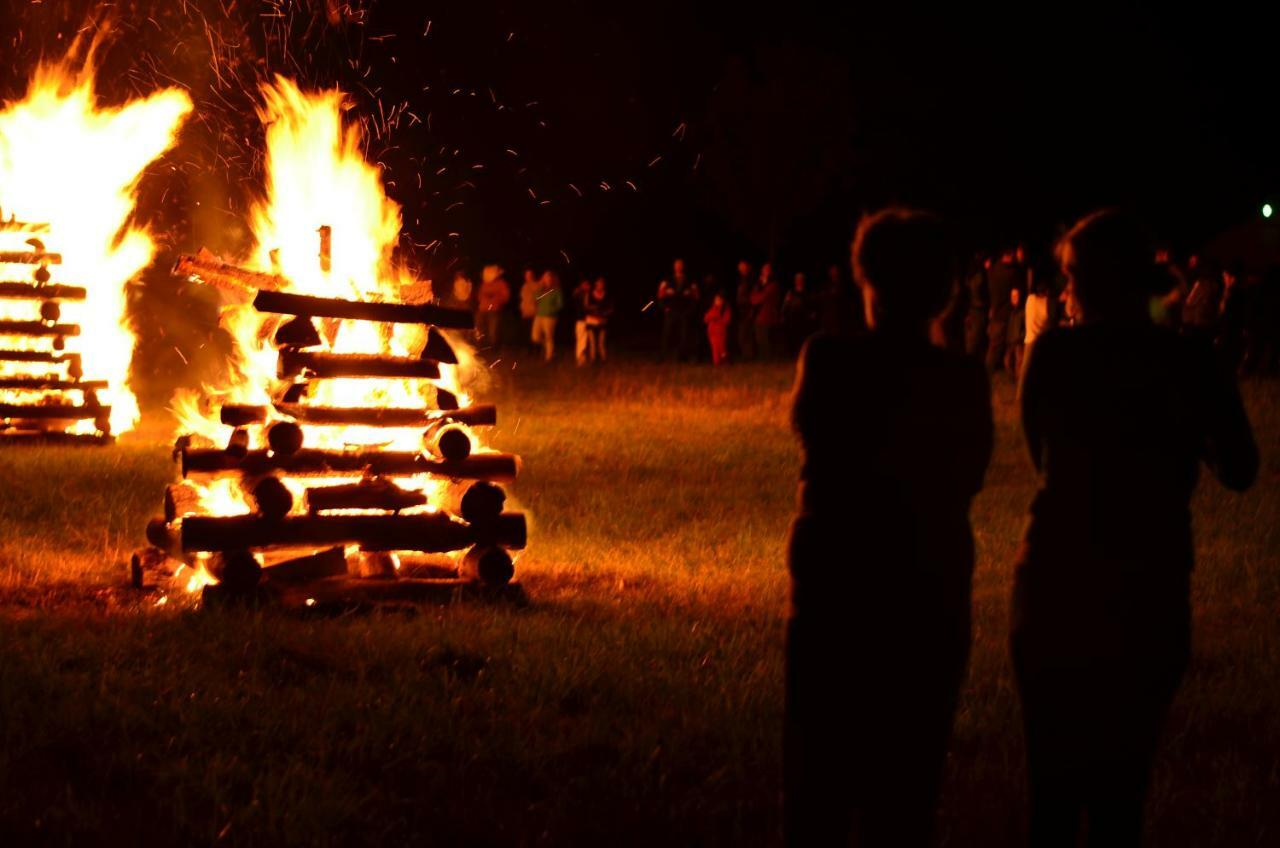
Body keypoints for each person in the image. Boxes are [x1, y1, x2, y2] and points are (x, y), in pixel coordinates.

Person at [1014, 209, 1257, 848]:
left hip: (1055, 579)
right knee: (1123, 796)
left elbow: (1041, 456)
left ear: (1083, 281)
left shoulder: (1053, 355)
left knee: (1052, 796)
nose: (1064, 290)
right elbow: (1240, 467)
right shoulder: (1190, 363)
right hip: (1149, 581)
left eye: (1069, 277)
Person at [787, 208, 993, 847]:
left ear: (863, 278)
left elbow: (811, 434)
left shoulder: (829, 361)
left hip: (835, 593)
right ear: (946, 291)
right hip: (926, 593)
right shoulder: (960, 379)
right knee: (907, 791)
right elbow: (969, 475)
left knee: (817, 787)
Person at [658, 258, 698, 361]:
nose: (678, 267)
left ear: (683, 267)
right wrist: (664, 307)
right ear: (674, 266)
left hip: (684, 311)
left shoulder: (689, 280)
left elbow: (696, 296)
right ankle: (663, 356)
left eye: (680, 265)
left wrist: (690, 309)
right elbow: (660, 294)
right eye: (677, 265)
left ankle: (682, 357)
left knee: (684, 335)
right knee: (667, 334)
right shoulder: (667, 280)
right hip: (671, 310)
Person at [782, 271, 819, 355]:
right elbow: (786, 305)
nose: (799, 281)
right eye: (797, 279)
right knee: (793, 338)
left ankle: (803, 354)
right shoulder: (791, 292)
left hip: (804, 319)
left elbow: (812, 304)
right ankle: (793, 354)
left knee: (803, 338)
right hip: (793, 318)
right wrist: (784, 314)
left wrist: (812, 313)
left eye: (800, 279)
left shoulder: (808, 293)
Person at [750, 262, 782, 359]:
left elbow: (762, 297)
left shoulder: (773, 285)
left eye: (767, 270)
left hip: (767, 315)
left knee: (766, 338)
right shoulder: (758, 284)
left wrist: (758, 296)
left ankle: (769, 358)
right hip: (759, 315)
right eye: (764, 270)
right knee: (760, 338)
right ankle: (763, 358)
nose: (765, 272)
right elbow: (752, 298)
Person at [530, 270, 563, 361]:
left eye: (549, 277)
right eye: (545, 277)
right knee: (535, 337)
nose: (547, 279)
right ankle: (551, 349)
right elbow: (535, 298)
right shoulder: (541, 289)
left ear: (552, 278)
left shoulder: (556, 290)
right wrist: (540, 286)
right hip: (539, 315)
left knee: (549, 336)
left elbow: (560, 305)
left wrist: (551, 311)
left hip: (550, 317)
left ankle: (549, 356)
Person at [476, 264, 510, 349]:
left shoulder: (501, 283)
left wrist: (495, 299)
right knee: (480, 328)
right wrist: (484, 301)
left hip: (494, 310)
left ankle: (494, 347)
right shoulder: (484, 284)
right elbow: (479, 295)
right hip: (483, 309)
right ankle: (482, 346)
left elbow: (506, 297)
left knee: (493, 330)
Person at [583, 276, 613, 364]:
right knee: (592, 342)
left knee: (601, 342)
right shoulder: (589, 294)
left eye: (602, 283)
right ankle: (593, 359)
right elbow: (585, 307)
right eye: (599, 283)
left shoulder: (607, 295)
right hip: (591, 321)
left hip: (602, 322)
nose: (600, 285)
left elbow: (611, 308)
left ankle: (603, 359)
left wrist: (604, 312)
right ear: (596, 284)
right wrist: (594, 308)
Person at [735, 260, 756, 359]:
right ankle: (744, 354)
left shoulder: (751, 279)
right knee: (741, 333)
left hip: (747, 309)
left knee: (746, 333)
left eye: (743, 266)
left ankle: (749, 355)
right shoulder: (739, 279)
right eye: (740, 267)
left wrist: (751, 308)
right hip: (740, 309)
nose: (741, 268)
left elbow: (753, 295)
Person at [704, 291, 732, 365]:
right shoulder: (713, 309)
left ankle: (724, 361)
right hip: (712, 332)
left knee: (721, 347)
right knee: (715, 348)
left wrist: (717, 318)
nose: (716, 301)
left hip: (721, 332)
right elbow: (706, 318)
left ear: (722, 300)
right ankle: (717, 362)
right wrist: (711, 317)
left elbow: (726, 320)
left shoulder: (725, 310)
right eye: (715, 300)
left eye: (718, 300)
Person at [1005, 286, 1026, 377]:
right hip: (1010, 341)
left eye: (1016, 296)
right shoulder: (1010, 311)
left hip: (1018, 342)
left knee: (1019, 363)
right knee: (1007, 361)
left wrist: (1020, 337)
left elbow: (1025, 328)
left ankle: (1019, 381)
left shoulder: (1023, 311)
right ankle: (1013, 378)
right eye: (1012, 296)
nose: (1014, 298)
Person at [572, 277, 592, 366]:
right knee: (582, 341)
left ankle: (582, 359)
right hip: (581, 320)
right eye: (586, 284)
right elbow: (585, 307)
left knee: (583, 341)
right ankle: (580, 360)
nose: (588, 286)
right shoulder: (580, 294)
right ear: (582, 285)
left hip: (583, 320)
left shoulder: (579, 294)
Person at [519, 267, 540, 348]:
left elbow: (538, 299)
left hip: (534, 313)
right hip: (525, 313)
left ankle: (536, 349)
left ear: (533, 275)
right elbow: (523, 298)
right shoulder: (524, 286)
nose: (528, 276)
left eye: (530, 275)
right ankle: (528, 349)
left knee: (534, 333)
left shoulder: (537, 285)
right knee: (526, 332)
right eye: (527, 275)